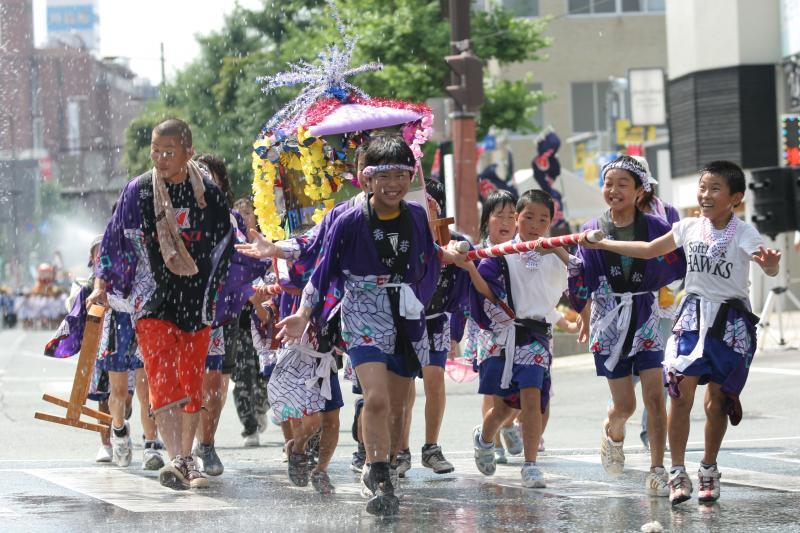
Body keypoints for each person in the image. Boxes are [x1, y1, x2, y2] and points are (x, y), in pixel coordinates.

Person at [273, 136, 464, 516]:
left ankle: (384, 464)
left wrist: (450, 253)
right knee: (375, 397)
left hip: (406, 311)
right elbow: (323, 272)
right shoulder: (348, 220)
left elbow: (428, 256)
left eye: (400, 174)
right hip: (361, 309)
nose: (393, 183)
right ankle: (377, 471)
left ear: (411, 176)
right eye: (384, 175)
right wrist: (304, 315)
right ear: (366, 178)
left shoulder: (415, 215)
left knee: (396, 406)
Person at [582, 160, 781, 505]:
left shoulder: (745, 232)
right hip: (691, 317)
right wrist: (605, 246)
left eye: (714, 189)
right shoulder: (687, 226)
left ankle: (708, 469)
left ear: (735, 198)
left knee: (717, 403)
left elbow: (767, 264)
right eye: (702, 187)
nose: (705, 195)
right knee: (678, 395)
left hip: (729, 321)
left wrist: (771, 264)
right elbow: (648, 250)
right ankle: (676, 473)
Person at [90, 118, 238, 491]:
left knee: (191, 383)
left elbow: (228, 248)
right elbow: (112, 244)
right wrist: (101, 285)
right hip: (152, 300)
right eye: (155, 151)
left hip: (198, 301)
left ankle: (184, 456)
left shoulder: (208, 194)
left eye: (169, 152)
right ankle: (179, 458)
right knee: (161, 380)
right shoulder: (138, 191)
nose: (160, 158)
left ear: (188, 152)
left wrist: (234, 290)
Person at [569, 155, 686, 497]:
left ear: (639, 192)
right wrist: (584, 310)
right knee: (625, 406)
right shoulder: (592, 229)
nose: (614, 190)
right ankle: (612, 432)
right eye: (608, 183)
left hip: (645, 315)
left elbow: (676, 260)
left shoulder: (654, 228)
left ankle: (658, 470)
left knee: (654, 396)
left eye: (623, 184)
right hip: (609, 319)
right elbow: (581, 274)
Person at [461, 189, 578, 488]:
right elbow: (484, 288)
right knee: (502, 409)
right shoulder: (501, 253)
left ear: (551, 222)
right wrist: (468, 265)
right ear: (517, 219)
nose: (535, 224)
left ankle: (530, 465)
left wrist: (555, 248)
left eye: (543, 219)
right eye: (527, 217)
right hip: (504, 336)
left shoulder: (554, 252)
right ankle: (485, 438)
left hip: (536, 336)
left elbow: (578, 272)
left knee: (532, 398)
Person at [462, 190, 525, 464]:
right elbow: (463, 300)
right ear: (487, 219)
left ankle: (507, 424)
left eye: (512, 216)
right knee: (493, 389)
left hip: (522, 331)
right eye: (499, 215)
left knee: (523, 386)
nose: (506, 222)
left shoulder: (524, 251)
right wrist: (454, 336)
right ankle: (493, 442)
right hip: (488, 332)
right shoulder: (477, 254)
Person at [633, 155, 681, 450]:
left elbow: (680, 255)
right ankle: (619, 415)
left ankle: (650, 432)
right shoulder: (613, 218)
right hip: (625, 304)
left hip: (662, 302)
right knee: (628, 374)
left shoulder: (669, 212)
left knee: (660, 368)